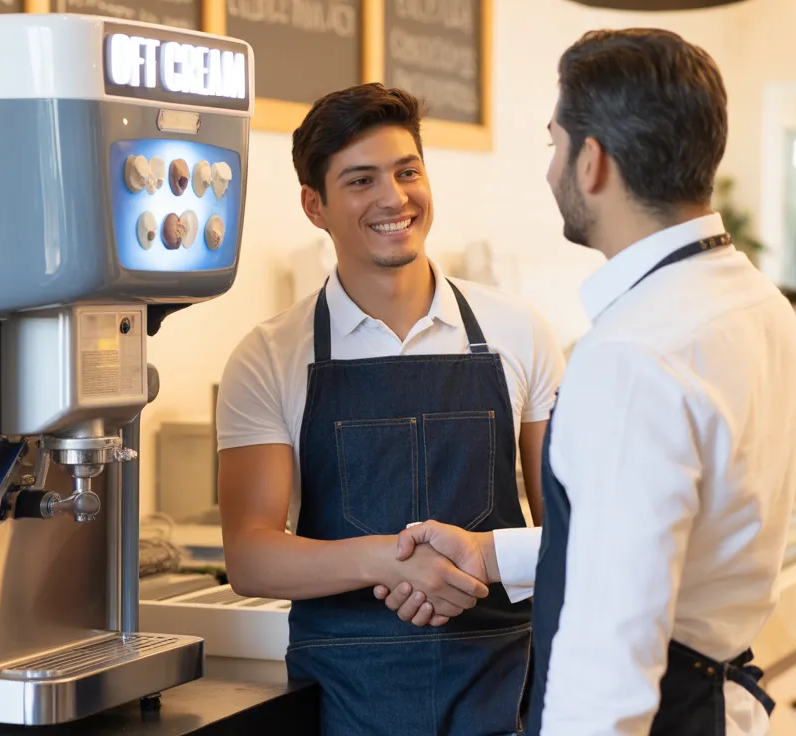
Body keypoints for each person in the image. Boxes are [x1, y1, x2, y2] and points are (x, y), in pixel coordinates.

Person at [376, 29, 796, 735]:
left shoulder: (633, 353)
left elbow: (609, 660)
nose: (551, 169)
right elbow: (649, 540)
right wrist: (490, 553)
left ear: (592, 161)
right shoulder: (754, 299)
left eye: (555, 144)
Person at [215, 82, 566, 735]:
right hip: (347, 692)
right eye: (361, 180)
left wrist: (480, 560)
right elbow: (250, 556)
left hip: (505, 679)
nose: (394, 198)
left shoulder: (519, 332)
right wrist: (387, 559)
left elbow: (571, 533)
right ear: (314, 206)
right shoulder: (268, 356)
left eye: (408, 172)